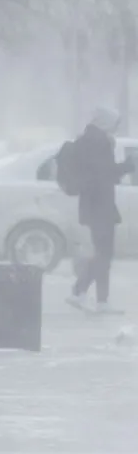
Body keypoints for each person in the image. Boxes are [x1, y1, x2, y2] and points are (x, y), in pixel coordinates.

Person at [66, 108, 132, 313]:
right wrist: (128, 166)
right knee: (104, 254)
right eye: (114, 124)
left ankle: (95, 298)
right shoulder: (99, 142)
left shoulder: (88, 140)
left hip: (93, 204)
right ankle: (81, 293)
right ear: (105, 122)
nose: (116, 129)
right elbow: (105, 174)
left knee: (102, 253)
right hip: (100, 205)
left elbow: (99, 173)